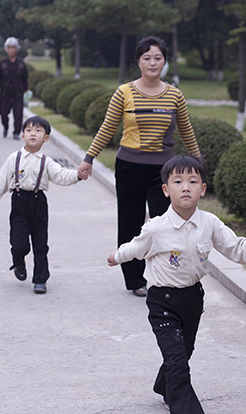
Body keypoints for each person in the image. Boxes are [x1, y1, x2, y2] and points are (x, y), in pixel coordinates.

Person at [107, 155, 246, 414]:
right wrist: (117, 256)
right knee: (178, 362)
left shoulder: (209, 224)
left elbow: (237, 247)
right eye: (178, 181)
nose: (186, 187)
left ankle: (164, 386)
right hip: (162, 303)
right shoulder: (157, 228)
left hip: (192, 299)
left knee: (184, 352)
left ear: (203, 189)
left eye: (193, 182)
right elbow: (136, 247)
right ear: (166, 190)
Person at [78, 35, 201, 298]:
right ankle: (134, 280)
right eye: (147, 58)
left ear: (165, 61)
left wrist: (197, 161)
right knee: (131, 223)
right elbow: (108, 127)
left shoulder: (174, 95)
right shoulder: (124, 92)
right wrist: (88, 159)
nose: (152, 63)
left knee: (165, 224)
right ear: (138, 62)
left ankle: (164, 274)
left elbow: (186, 130)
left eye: (158, 58)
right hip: (130, 167)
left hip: (164, 171)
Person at [0, 116, 88, 294]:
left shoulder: (47, 162)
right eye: (29, 130)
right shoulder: (14, 158)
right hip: (19, 202)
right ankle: (19, 261)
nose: (33, 134)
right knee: (18, 242)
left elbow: (61, 176)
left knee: (40, 243)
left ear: (46, 138)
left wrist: (77, 175)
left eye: (38, 131)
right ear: (23, 135)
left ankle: (40, 279)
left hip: (38, 203)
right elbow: (1, 182)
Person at [0, 37, 28, 140]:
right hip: (5, 92)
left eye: (13, 47)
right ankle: (5, 126)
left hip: (18, 92)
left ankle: (16, 132)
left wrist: (25, 89)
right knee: (3, 113)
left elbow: (25, 78)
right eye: (8, 47)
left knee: (18, 114)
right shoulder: (2, 63)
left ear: (16, 49)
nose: (11, 50)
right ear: (6, 49)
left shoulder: (21, 64)